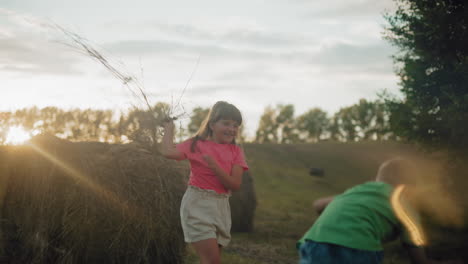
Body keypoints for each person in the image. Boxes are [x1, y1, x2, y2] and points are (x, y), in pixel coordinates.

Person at [297, 158, 463, 264]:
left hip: (314, 243)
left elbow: (318, 205)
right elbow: (417, 257)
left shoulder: (357, 191)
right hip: (358, 250)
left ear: (377, 179)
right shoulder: (405, 207)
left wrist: (345, 205)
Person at [161, 101, 248, 264]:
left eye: (235, 125)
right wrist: (168, 129)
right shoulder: (196, 144)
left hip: (222, 207)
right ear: (212, 124)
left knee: (210, 260)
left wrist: (214, 166)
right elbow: (167, 152)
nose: (231, 129)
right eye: (226, 123)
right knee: (212, 261)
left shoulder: (236, 151)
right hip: (197, 205)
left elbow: (235, 185)